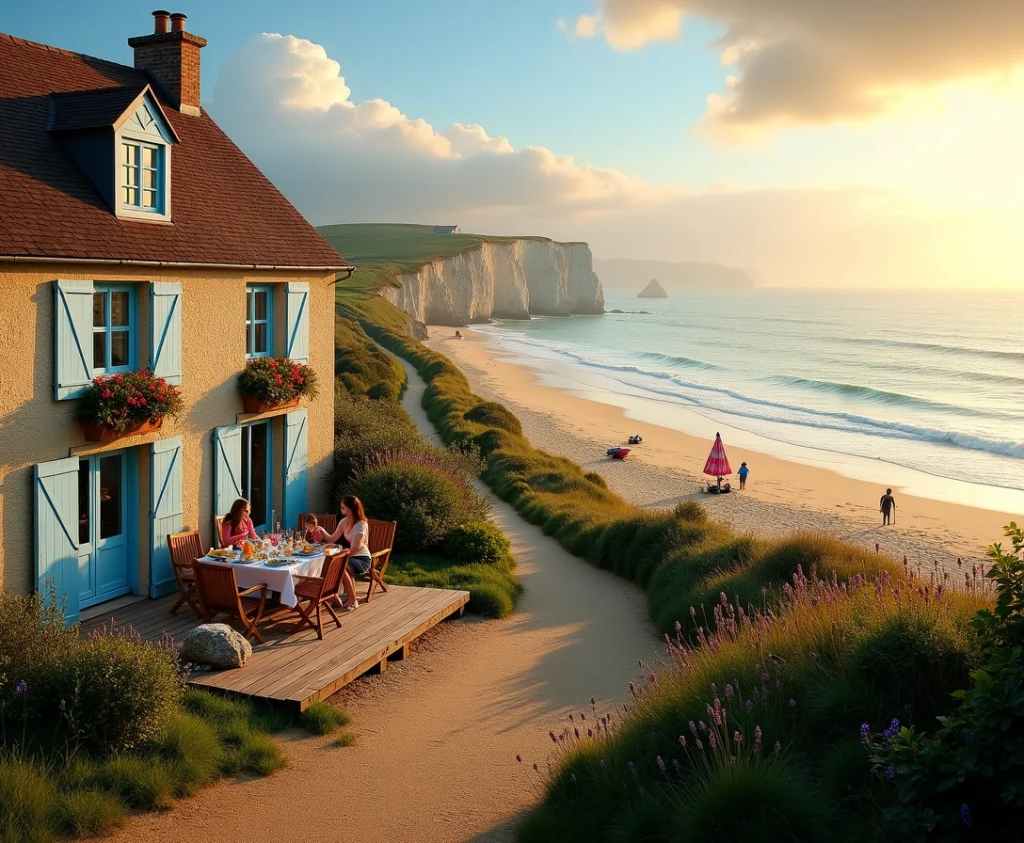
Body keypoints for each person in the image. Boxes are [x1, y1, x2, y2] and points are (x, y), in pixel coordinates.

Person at [327, 495, 373, 611]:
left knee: (341, 565)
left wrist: (342, 554)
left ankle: (352, 599)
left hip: (362, 558)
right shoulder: (344, 522)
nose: (340, 509)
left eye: (343, 508)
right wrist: (319, 530)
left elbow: (356, 548)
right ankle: (334, 596)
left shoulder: (361, 525)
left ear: (350, 509)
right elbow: (331, 538)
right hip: (350, 556)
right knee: (331, 564)